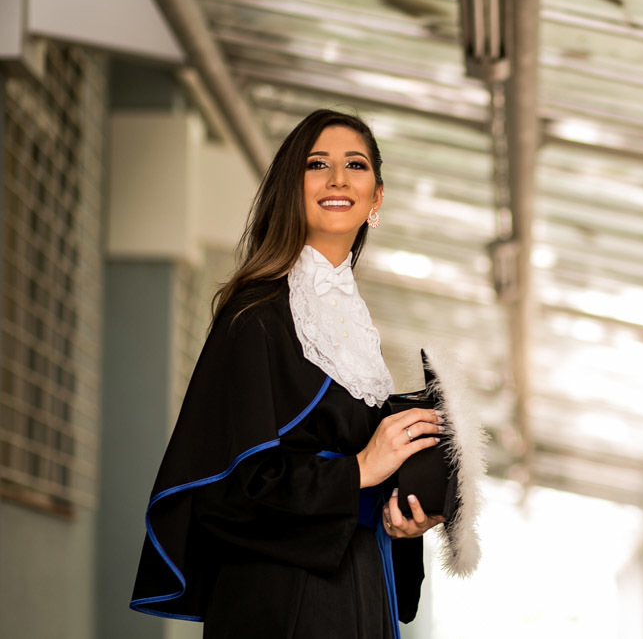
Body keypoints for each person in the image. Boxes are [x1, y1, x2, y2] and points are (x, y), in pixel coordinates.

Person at [130, 109, 444, 638]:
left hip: (363, 583)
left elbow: (364, 481)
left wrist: (403, 519)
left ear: (376, 198)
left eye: (356, 165)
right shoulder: (255, 316)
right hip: (281, 598)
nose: (338, 178)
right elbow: (226, 494)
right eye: (317, 164)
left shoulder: (357, 328)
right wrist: (359, 470)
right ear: (290, 189)